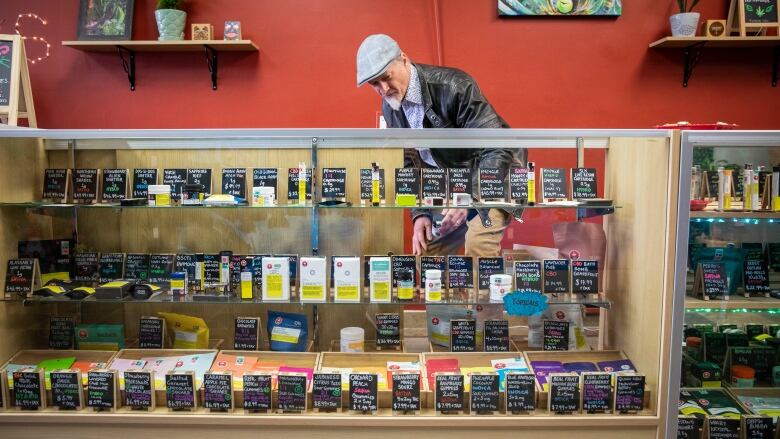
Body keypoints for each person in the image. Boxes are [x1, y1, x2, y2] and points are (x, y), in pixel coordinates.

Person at [356, 34, 526, 257]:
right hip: (452, 185)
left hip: (493, 178)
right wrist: (421, 214)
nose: (384, 89)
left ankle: (485, 293)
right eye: (374, 83)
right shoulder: (391, 107)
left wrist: (470, 196)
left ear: (404, 60)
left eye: (387, 77)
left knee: (478, 246)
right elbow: (410, 163)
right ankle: (455, 293)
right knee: (428, 250)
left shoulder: (454, 85)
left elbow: (498, 145)